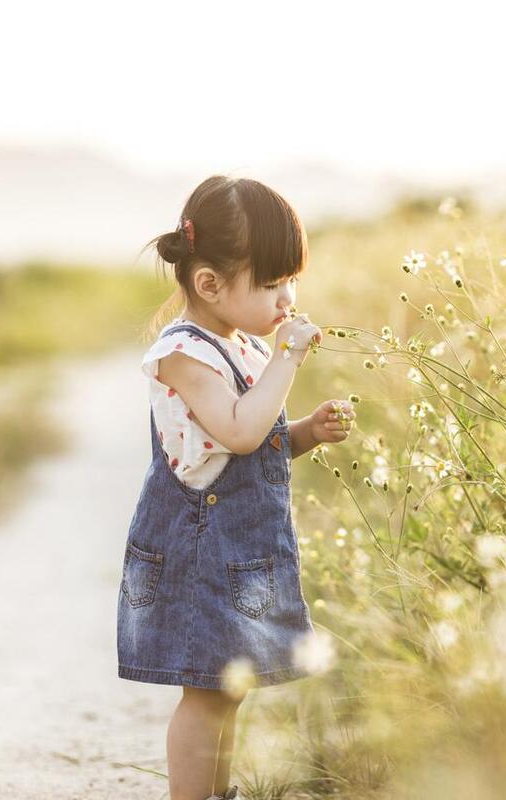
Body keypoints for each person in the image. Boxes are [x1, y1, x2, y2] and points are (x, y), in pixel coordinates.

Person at [117, 175, 355, 800]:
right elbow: (240, 431)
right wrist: (289, 357)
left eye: (291, 280)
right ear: (210, 285)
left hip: (235, 553)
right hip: (200, 556)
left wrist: (305, 431)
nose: (288, 297)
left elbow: (258, 443)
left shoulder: (242, 345)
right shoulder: (182, 354)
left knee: (228, 691)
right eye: (272, 282)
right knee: (205, 698)